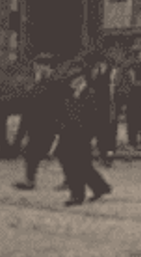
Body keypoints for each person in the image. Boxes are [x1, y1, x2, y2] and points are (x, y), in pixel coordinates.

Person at [57, 65, 113, 207]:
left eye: (73, 80)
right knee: (80, 164)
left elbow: (94, 117)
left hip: (81, 135)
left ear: (80, 79)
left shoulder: (89, 93)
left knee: (76, 164)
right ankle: (100, 187)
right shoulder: (73, 93)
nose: (70, 83)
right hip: (69, 133)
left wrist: (92, 136)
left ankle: (77, 195)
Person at [13, 60, 68, 192]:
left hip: (49, 125)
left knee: (61, 153)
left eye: (43, 66)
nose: (40, 69)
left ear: (49, 68)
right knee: (31, 153)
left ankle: (69, 179)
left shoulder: (55, 84)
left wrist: (61, 125)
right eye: (38, 66)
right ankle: (30, 180)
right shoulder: (34, 83)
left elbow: (61, 106)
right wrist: (21, 132)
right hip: (35, 124)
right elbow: (27, 107)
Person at [89, 58, 117, 166]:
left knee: (109, 130)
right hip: (97, 106)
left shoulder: (112, 73)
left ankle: (109, 153)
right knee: (100, 130)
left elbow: (117, 89)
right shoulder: (94, 73)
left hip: (110, 105)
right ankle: (103, 153)